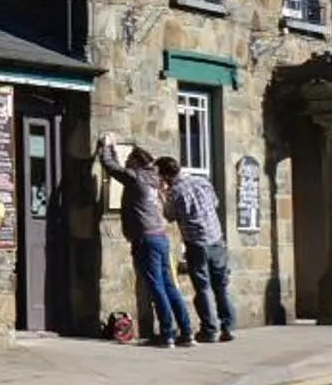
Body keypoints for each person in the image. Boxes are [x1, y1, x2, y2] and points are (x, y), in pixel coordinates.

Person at [100, 136, 194, 346]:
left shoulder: (136, 178)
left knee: (156, 287)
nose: (126, 166)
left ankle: (168, 333)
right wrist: (115, 150)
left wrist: (106, 146)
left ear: (134, 162)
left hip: (145, 239)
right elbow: (117, 167)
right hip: (160, 237)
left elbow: (111, 167)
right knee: (169, 287)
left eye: (128, 163)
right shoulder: (154, 178)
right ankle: (186, 333)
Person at [159, 157, 235, 342]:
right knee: (221, 286)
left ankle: (209, 330)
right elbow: (215, 203)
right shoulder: (202, 181)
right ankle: (228, 326)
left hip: (196, 243)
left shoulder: (175, 192)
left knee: (203, 288)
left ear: (167, 175)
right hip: (216, 238)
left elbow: (169, 216)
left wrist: (162, 196)